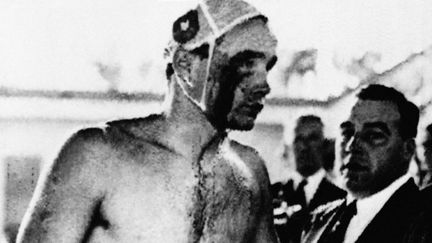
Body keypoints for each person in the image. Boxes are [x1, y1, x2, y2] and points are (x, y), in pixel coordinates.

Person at [16, 0, 279, 242]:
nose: (263, 85)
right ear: (186, 66)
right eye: (246, 63)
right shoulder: (97, 156)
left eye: (268, 67)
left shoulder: (250, 173)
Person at [302, 84, 421, 243]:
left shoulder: (423, 221)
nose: (352, 146)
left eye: (373, 135)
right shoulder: (319, 220)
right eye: (347, 133)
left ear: (407, 150)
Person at [273, 115, 346, 243]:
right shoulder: (270, 194)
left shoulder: (341, 198)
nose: (304, 147)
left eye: (313, 138)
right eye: (298, 139)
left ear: (326, 145)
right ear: (289, 146)